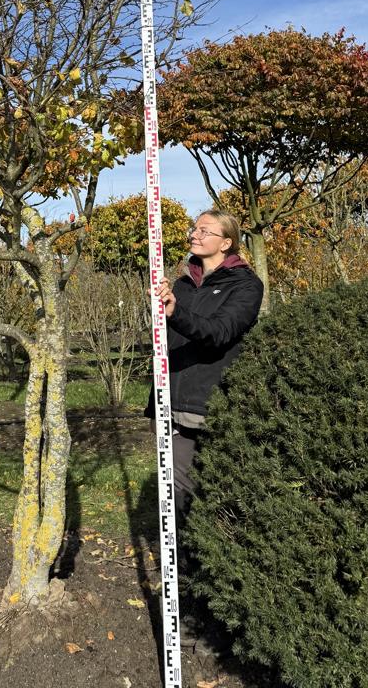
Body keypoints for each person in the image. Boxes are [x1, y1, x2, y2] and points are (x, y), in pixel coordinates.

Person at [145, 209, 264, 517]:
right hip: (169, 400)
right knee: (176, 491)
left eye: (204, 231)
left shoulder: (246, 286)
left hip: (208, 404)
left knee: (217, 492)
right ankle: (182, 547)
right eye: (194, 229)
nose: (194, 235)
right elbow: (168, 338)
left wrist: (176, 313)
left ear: (226, 243)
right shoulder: (182, 285)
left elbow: (220, 333)